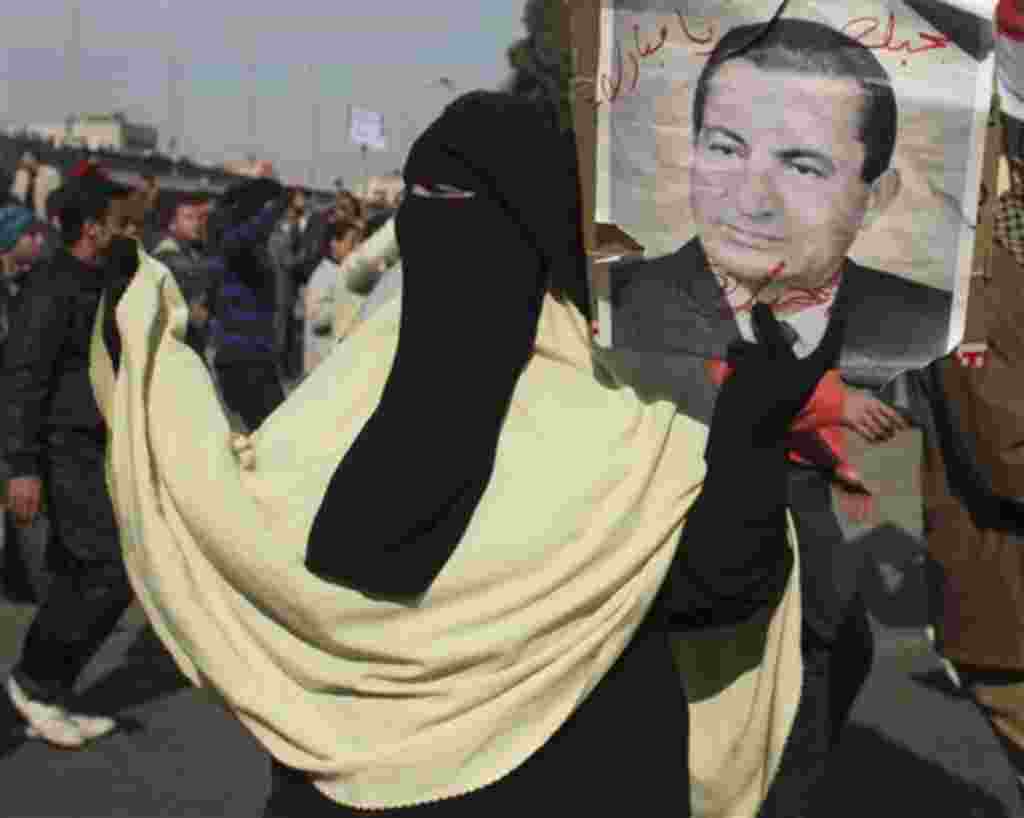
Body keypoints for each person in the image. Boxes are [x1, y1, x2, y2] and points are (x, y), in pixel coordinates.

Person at [92, 90, 831, 816]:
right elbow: (723, 588)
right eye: (424, 196)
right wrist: (753, 430)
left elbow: (233, 521)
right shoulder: (632, 414)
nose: (436, 221)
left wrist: (153, 367)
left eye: (452, 198)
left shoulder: (347, 389)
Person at [609, 18, 948, 815]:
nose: (751, 197)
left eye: (801, 164)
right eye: (725, 148)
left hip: (819, 622)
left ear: (877, 193)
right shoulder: (615, 307)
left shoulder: (926, 329)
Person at [2, 186, 137, 749]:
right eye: (116, 221)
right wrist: (22, 466)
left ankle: (52, 691)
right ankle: (34, 683)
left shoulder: (100, 278)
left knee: (85, 571)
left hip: (94, 444)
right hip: (60, 449)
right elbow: (24, 377)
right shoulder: (52, 286)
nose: (125, 229)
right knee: (105, 569)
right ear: (92, 229)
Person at [209, 178, 290, 431]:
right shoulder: (233, 241)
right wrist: (275, 206)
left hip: (258, 356)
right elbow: (245, 238)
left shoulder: (254, 246)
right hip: (241, 359)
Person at [151, 191, 221, 360]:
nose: (196, 224)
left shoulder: (191, 252)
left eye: (198, 218)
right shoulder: (166, 254)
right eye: (188, 218)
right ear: (172, 224)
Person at [302, 217, 364, 375]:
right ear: (334, 243)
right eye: (352, 242)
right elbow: (316, 320)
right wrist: (346, 301)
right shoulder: (322, 276)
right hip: (322, 366)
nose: (357, 248)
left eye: (359, 242)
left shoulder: (345, 272)